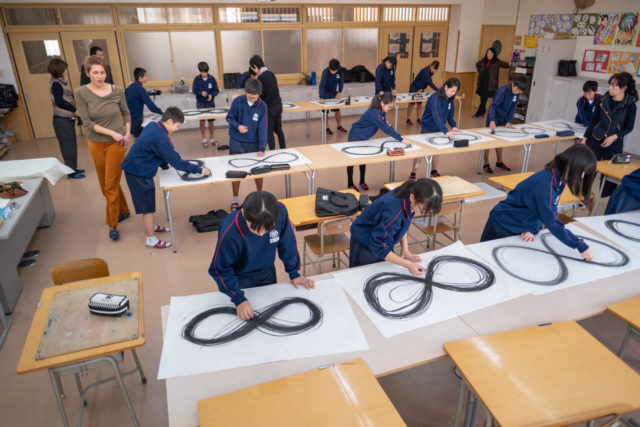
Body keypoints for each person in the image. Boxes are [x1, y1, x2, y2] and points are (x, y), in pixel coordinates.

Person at [209, 191, 315, 320]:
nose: (261, 234)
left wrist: (294, 273)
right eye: (254, 228)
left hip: (267, 271)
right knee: (247, 315)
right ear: (243, 213)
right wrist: (238, 299)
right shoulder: (229, 230)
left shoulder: (280, 211)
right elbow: (220, 269)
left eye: (267, 229)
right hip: (240, 277)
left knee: (268, 308)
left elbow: (288, 243)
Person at [480, 144, 597, 261]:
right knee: (487, 260)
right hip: (503, 225)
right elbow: (552, 222)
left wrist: (534, 228)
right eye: (583, 171)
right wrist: (581, 246)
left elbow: (542, 207)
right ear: (573, 164)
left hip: (518, 225)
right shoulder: (546, 184)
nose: (583, 176)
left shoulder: (559, 177)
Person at [121, 107, 211, 249]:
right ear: (169, 121)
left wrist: (164, 165)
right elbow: (176, 161)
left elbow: (155, 150)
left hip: (138, 168)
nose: (177, 129)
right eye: (177, 126)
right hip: (137, 172)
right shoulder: (161, 137)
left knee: (149, 202)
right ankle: (150, 239)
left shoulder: (154, 126)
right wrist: (199, 170)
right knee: (147, 207)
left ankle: (151, 226)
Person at [75, 55, 131, 241]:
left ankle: (112, 224)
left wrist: (126, 133)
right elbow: (87, 123)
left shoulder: (117, 90)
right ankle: (123, 210)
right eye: (95, 73)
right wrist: (111, 133)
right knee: (105, 184)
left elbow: (126, 113)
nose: (99, 76)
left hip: (117, 143)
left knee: (109, 185)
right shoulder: (81, 92)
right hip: (96, 143)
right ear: (87, 73)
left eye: (102, 72)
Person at [349, 178, 442, 274]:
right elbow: (379, 247)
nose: (422, 214)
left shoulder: (411, 194)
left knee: (384, 270)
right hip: (365, 244)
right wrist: (409, 265)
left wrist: (405, 249)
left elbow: (404, 223)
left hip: (382, 238)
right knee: (365, 276)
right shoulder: (393, 213)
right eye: (423, 211)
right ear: (412, 197)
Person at [581, 72, 637, 197]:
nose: (610, 88)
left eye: (614, 85)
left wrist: (615, 136)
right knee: (588, 168)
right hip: (596, 137)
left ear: (623, 88)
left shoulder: (631, 105)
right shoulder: (602, 100)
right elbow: (593, 121)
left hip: (615, 142)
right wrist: (585, 138)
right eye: (610, 84)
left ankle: (603, 197)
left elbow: (629, 127)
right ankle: (582, 195)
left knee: (610, 172)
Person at [347, 92, 410, 191]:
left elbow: (385, 123)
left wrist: (394, 130)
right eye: (389, 107)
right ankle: (350, 183)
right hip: (355, 135)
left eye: (391, 107)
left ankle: (362, 181)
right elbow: (386, 128)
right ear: (382, 103)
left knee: (363, 159)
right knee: (352, 160)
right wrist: (401, 138)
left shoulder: (382, 111)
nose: (389, 109)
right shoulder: (375, 113)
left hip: (364, 137)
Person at [225, 79, 268, 211]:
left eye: (254, 98)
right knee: (235, 171)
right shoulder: (237, 101)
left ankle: (259, 197)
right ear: (245, 92)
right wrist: (238, 126)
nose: (251, 100)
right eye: (249, 97)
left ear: (259, 93)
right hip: (237, 141)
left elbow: (263, 127)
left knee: (258, 171)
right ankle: (235, 199)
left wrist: (262, 148)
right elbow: (229, 117)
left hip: (253, 143)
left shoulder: (262, 106)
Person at [411, 78, 461, 179]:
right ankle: (413, 173)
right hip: (428, 128)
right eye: (452, 91)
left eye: (455, 92)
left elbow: (450, 115)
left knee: (437, 150)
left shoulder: (450, 99)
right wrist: (446, 131)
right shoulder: (435, 97)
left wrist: (453, 126)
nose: (453, 94)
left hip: (440, 128)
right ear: (446, 87)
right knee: (421, 152)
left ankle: (434, 170)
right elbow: (437, 116)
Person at [482, 75, 529, 173]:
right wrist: (492, 120)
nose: (517, 92)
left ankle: (499, 162)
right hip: (494, 117)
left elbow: (513, 107)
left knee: (500, 140)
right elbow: (493, 106)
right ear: (513, 84)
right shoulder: (502, 91)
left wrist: (509, 121)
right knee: (488, 141)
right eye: (516, 90)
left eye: (520, 92)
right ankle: (486, 164)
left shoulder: (517, 94)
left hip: (503, 118)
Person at [47, 58, 85, 179]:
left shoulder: (58, 82)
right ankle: (71, 173)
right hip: (62, 121)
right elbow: (59, 102)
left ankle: (72, 169)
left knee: (70, 145)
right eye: (65, 68)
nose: (66, 70)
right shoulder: (56, 84)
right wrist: (74, 110)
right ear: (60, 70)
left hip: (64, 120)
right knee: (68, 146)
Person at [250, 55, 286, 150]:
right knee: (278, 129)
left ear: (255, 66)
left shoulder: (261, 77)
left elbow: (261, 95)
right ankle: (284, 148)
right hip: (278, 105)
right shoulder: (271, 73)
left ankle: (272, 151)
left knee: (269, 132)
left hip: (270, 108)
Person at [125, 67, 163, 138]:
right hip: (137, 118)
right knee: (139, 137)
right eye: (146, 75)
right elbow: (150, 105)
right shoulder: (140, 89)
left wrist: (141, 116)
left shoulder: (129, 87)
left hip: (130, 117)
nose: (147, 77)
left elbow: (130, 103)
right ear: (140, 77)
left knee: (136, 136)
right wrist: (162, 113)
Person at [473, 47, 510, 118]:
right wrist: (480, 71)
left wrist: (511, 64)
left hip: (490, 85)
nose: (489, 54)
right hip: (482, 83)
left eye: (491, 53)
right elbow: (477, 64)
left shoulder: (497, 62)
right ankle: (482, 112)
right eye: (488, 53)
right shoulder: (483, 61)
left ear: (494, 54)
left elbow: (505, 65)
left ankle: (478, 113)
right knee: (482, 99)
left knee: (484, 99)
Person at [192, 61, 220, 147]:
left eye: (205, 72)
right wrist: (201, 93)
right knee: (202, 122)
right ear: (199, 71)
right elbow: (194, 91)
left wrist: (212, 95)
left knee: (211, 122)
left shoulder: (212, 78)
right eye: (202, 72)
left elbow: (216, 90)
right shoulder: (197, 79)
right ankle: (204, 139)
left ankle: (212, 139)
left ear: (207, 71)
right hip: (200, 103)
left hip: (210, 103)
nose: (204, 74)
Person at [319, 58, 347, 135]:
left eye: (334, 71)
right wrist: (321, 97)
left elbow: (341, 82)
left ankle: (339, 126)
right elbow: (322, 86)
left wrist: (339, 92)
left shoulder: (340, 70)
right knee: (325, 111)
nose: (333, 72)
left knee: (337, 109)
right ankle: (326, 128)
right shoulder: (325, 72)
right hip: (325, 92)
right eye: (331, 70)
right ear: (329, 67)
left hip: (334, 92)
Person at [406, 60, 439, 126]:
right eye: (433, 68)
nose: (433, 70)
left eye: (435, 69)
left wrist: (422, 89)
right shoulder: (425, 71)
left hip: (420, 88)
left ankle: (418, 119)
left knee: (419, 104)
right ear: (431, 65)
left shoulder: (431, 72)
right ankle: (408, 119)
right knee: (411, 104)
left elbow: (426, 82)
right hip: (414, 87)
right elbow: (430, 83)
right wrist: (438, 90)